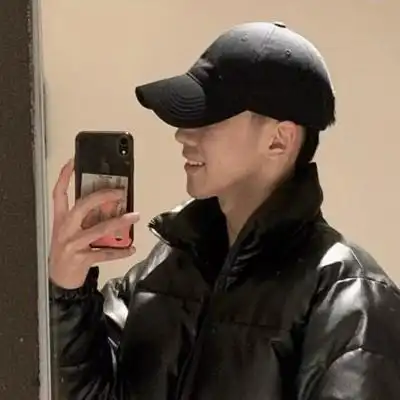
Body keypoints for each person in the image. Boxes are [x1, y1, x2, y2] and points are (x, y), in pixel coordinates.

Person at [49, 22, 400, 400]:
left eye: (209, 118)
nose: (183, 135)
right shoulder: (161, 271)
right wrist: (68, 288)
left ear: (279, 139)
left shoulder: (350, 297)